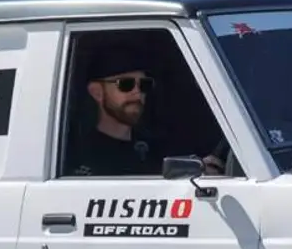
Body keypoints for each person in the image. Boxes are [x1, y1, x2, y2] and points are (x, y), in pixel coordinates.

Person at [67, 46, 225, 177]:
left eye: (144, 85)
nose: (137, 93)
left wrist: (200, 172)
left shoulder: (158, 148)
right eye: (126, 84)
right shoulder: (77, 155)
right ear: (97, 92)